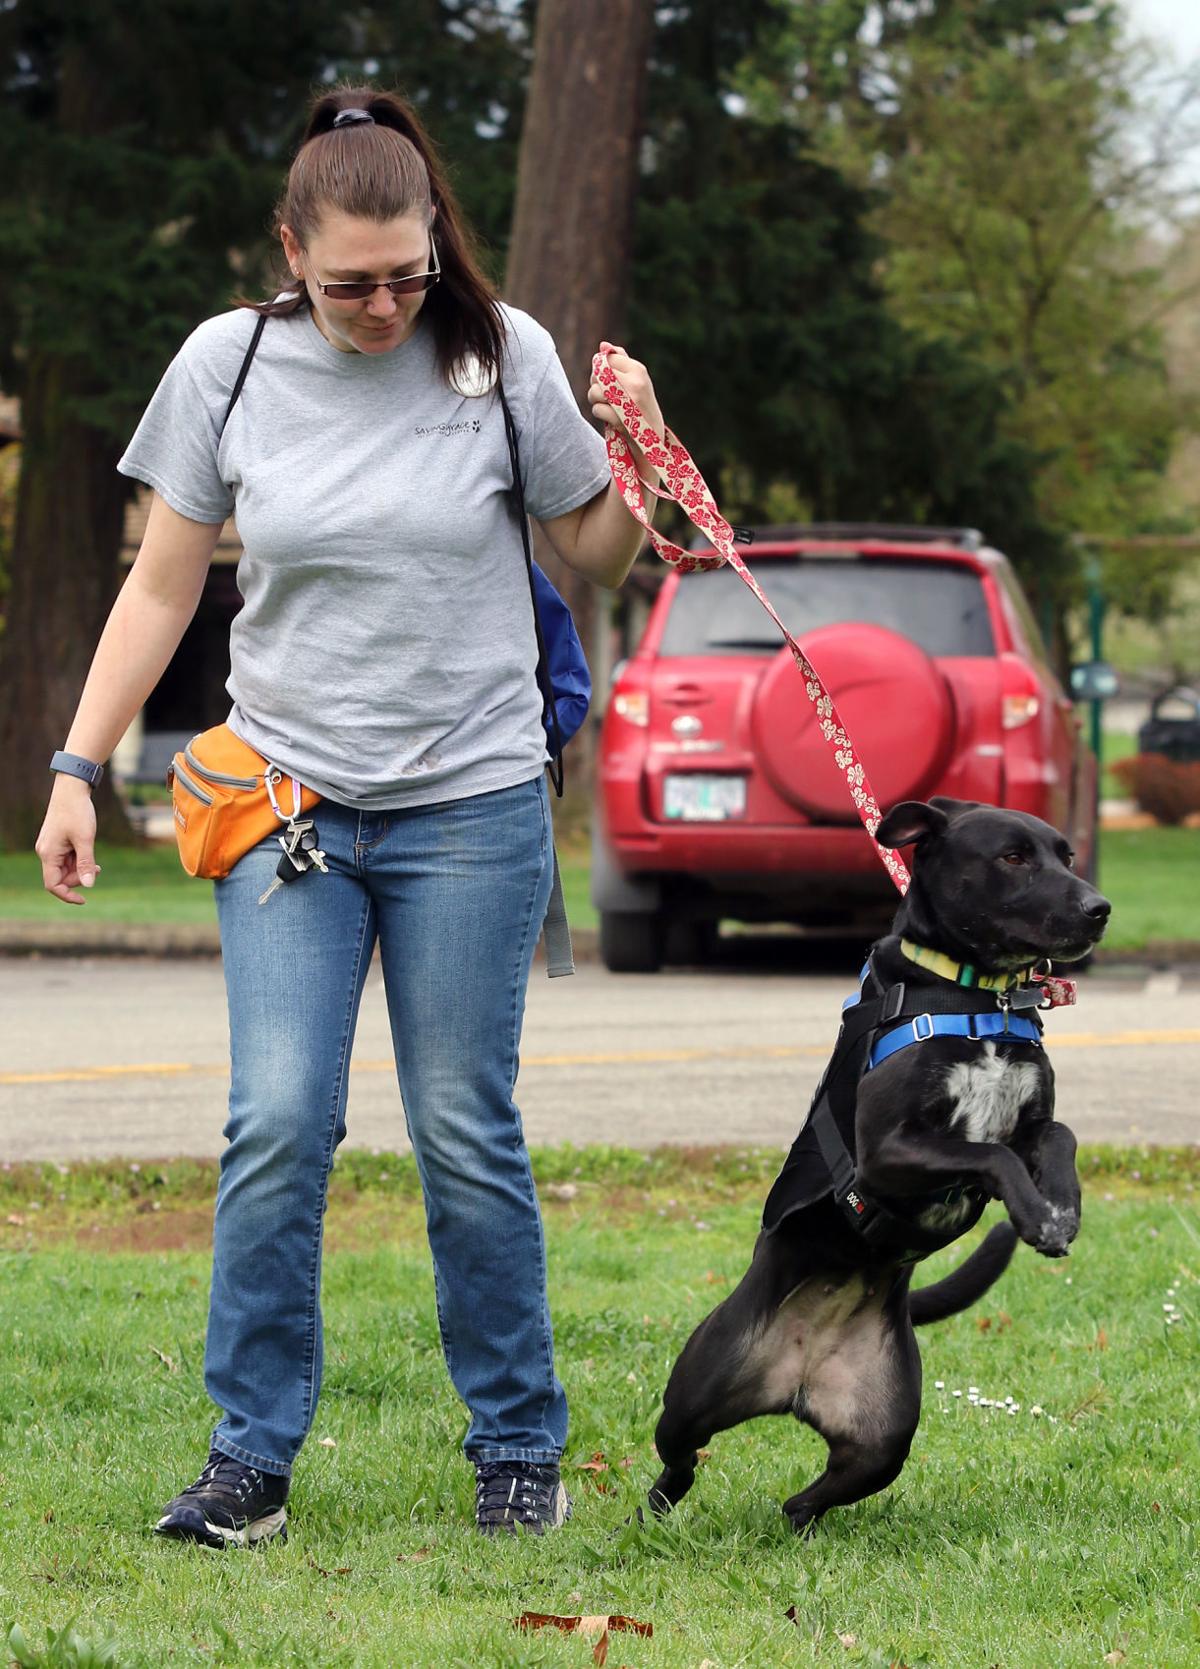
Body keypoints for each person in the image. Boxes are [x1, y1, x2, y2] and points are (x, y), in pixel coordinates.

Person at [35, 85, 665, 1545]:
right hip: (286, 804)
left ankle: (518, 1444)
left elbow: (593, 553)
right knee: (276, 1120)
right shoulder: (229, 364)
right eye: (350, 285)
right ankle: (248, 1456)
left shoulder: (502, 355)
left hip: (472, 804)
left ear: (437, 239)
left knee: (462, 1127)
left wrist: (638, 455)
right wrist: (77, 765)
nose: (384, 307)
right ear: (291, 255)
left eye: (407, 275)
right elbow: (162, 584)